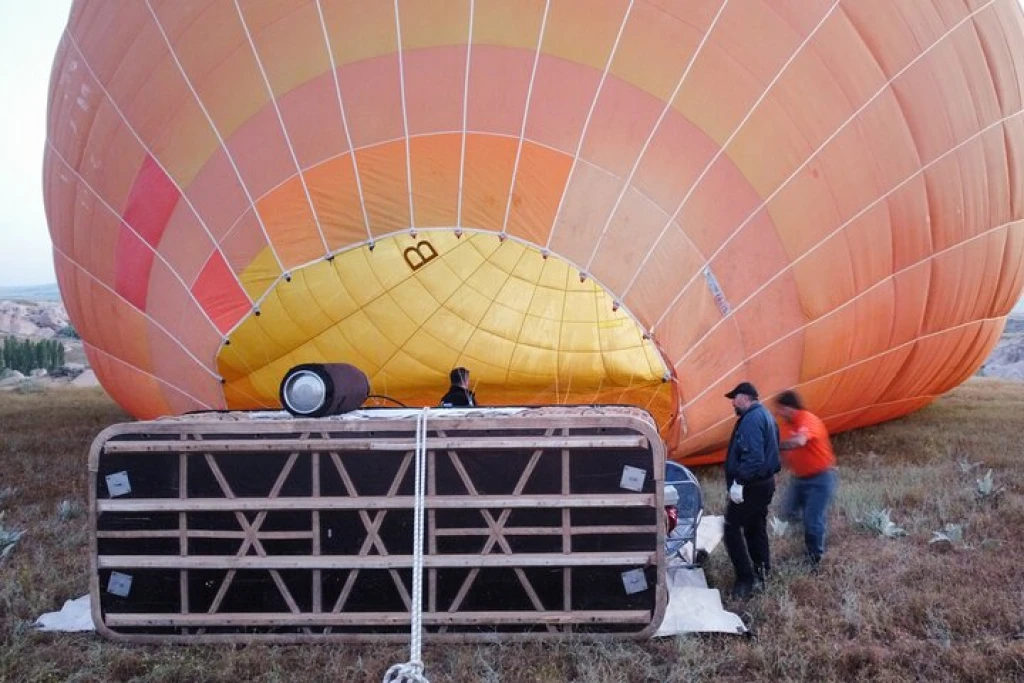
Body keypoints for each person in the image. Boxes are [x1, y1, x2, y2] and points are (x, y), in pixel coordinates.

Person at [723, 381, 781, 599]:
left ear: (744, 397)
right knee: (755, 527)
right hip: (763, 484)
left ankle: (745, 579)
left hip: (751, 486)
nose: (732, 404)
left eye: (734, 398)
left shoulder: (751, 419)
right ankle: (763, 571)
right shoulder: (766, 415)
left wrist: (739, 482)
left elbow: (754, 457)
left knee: (730, 529)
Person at [775, 389, 838, 569]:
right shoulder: (785, 426)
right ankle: (813, 532)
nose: (778, 413)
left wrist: (775, 444)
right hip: (800, 479)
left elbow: (800, 441)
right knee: (787, 512)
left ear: (788, 408)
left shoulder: (807, 419)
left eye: (780, 409)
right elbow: (785, 453)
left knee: (812, 519)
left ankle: (814, 558)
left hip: (821, 478)